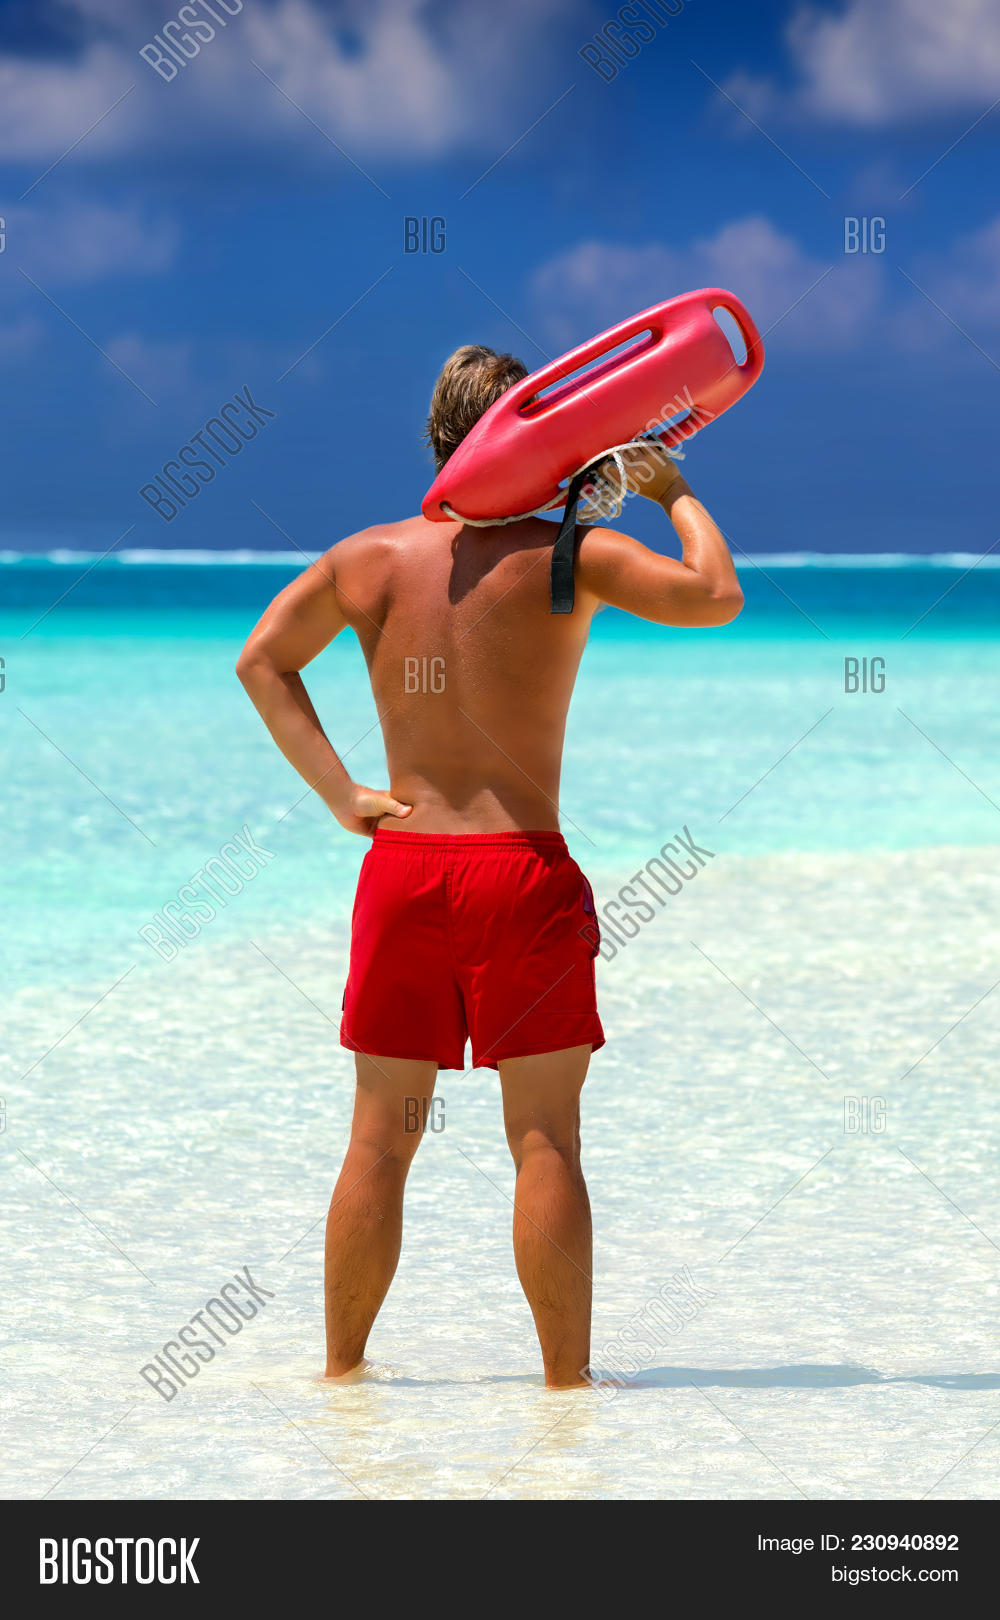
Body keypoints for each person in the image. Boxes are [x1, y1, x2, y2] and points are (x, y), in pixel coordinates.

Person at [236, 344, 743, 1388]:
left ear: (434, 437)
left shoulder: (367, 560)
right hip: (521, 871)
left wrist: (342, 796)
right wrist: (670, 484)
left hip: (405, 869)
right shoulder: (570, 556)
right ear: (544, 435)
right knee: (544, 1141)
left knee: (380, 1141)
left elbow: (262, 660)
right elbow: (715, 594)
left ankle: (342, 1381)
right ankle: (566, 1391)